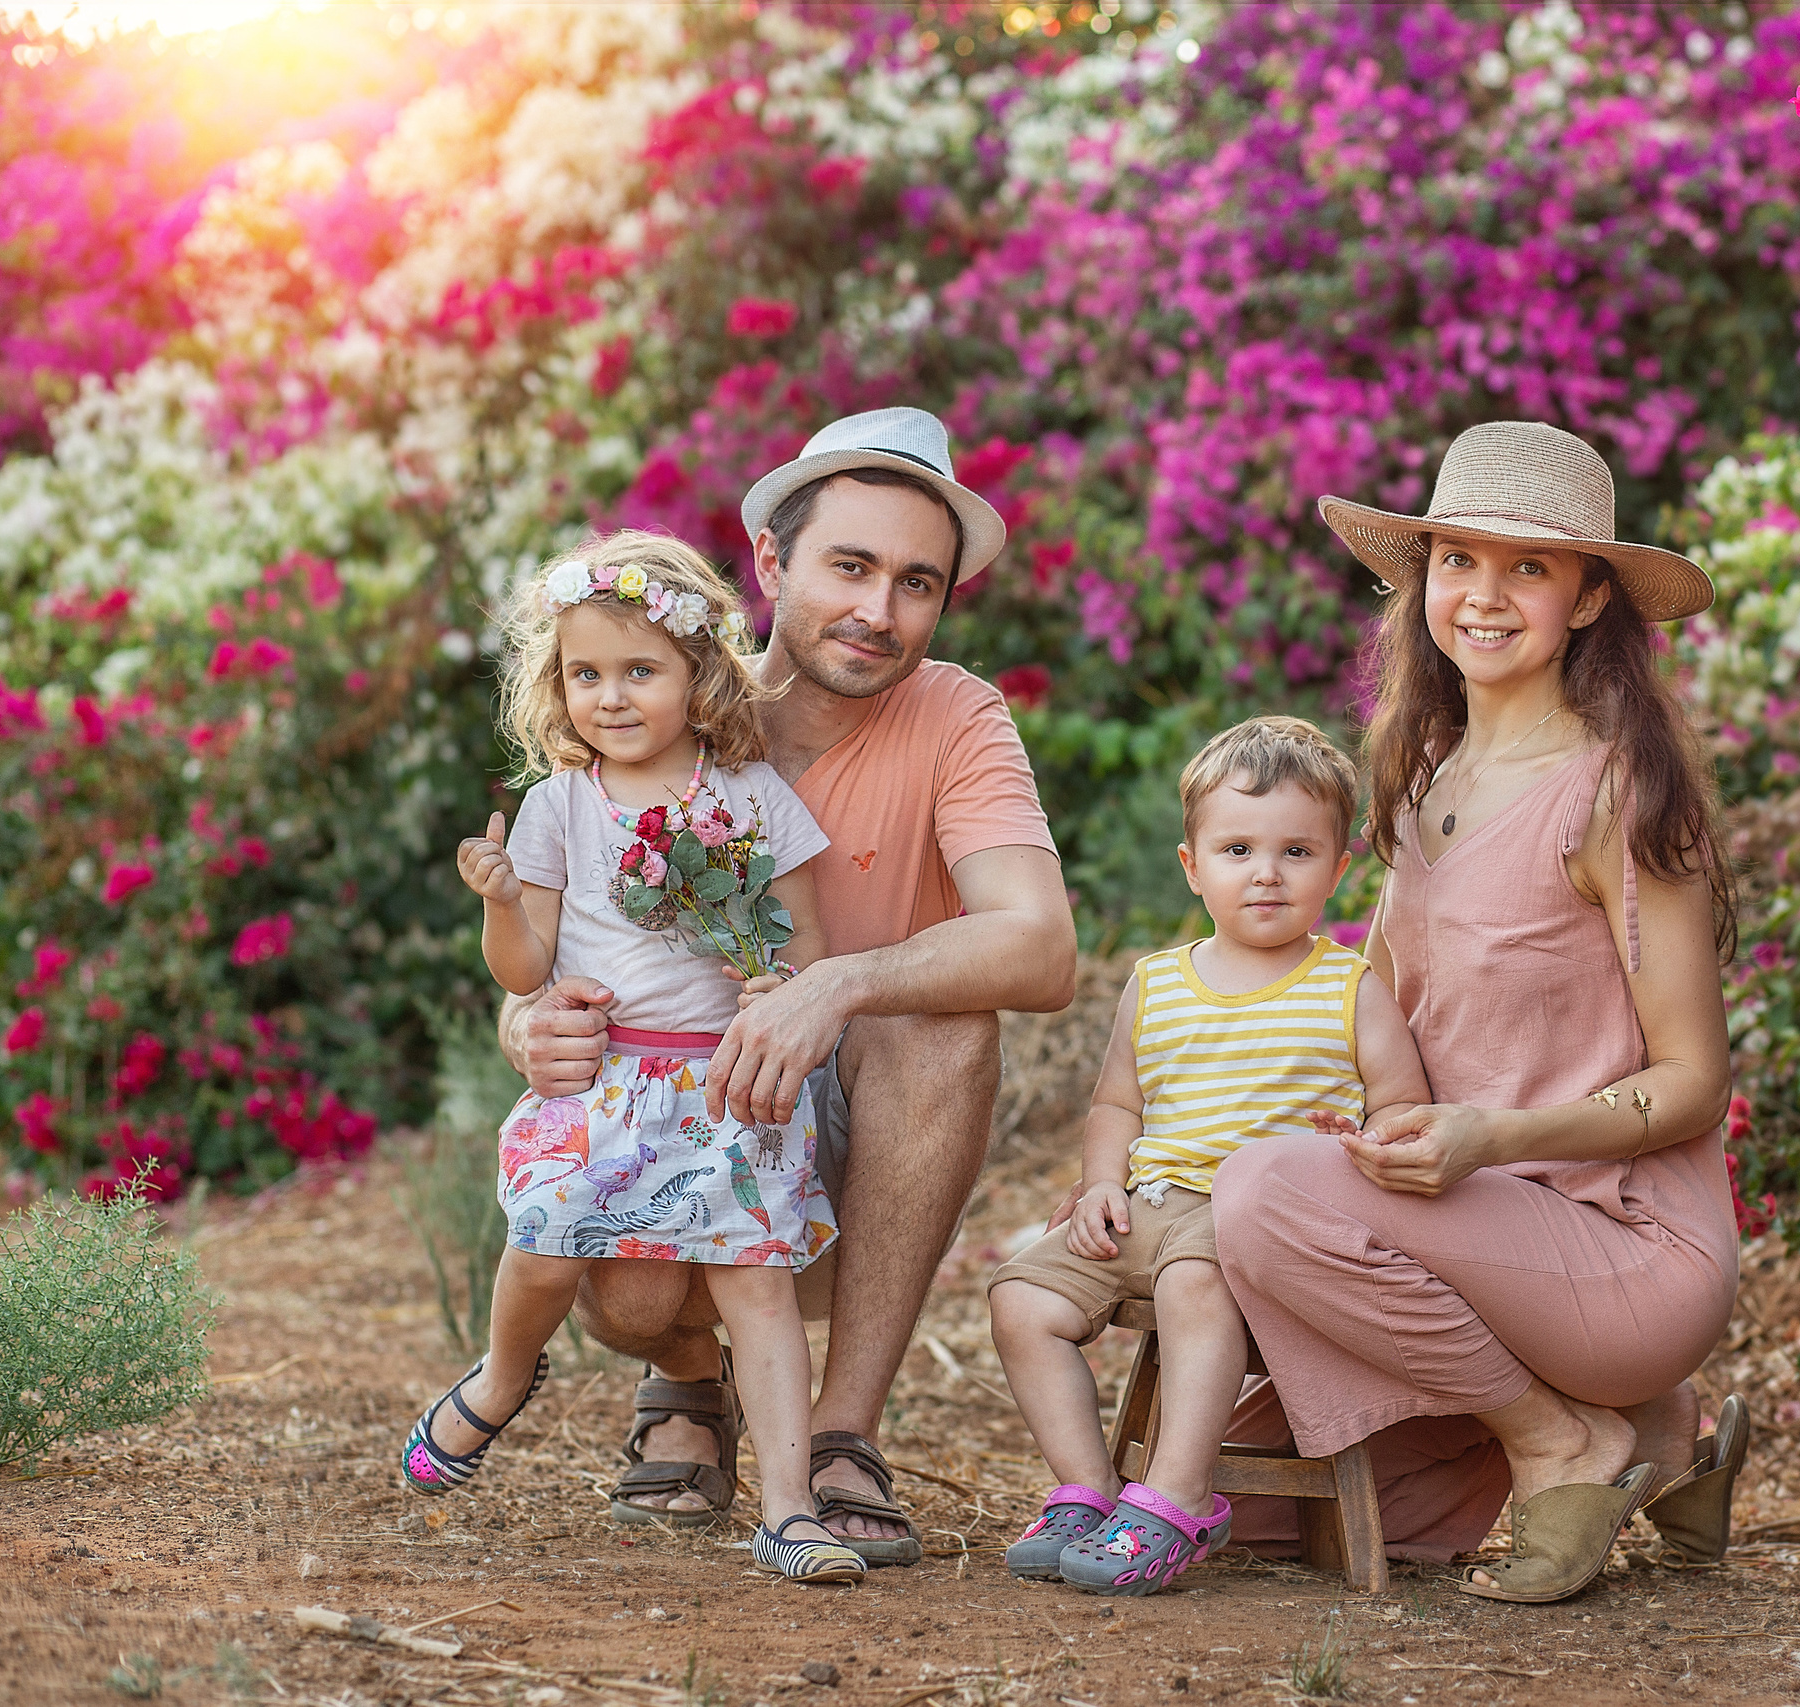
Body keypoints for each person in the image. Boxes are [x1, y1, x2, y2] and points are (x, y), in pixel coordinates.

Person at [499, 408, 1076, 1560]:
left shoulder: (955, 714)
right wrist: (525, 1018)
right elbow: (550, 928)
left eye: (918, 583)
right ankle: (686, 1378)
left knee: (944, 1025)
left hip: (847, 1115)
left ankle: (837, 1436)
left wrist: (839, 983)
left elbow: (1043, 949)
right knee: (632, 1300)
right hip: (669, 1098)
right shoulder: (655, 701)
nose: (880, 611)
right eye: (850, 566)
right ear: (770, 561)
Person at [1211, 419, 1751, 1604]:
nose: (1484, 596)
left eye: (1528, 568)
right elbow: (1388, 1035)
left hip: (1618, 1249)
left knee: (1262, 1197)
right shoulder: (1419, 784)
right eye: (1457, 560)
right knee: (1249, 1506)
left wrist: (1495, 1135)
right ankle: (1663, 1444)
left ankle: (1562, 1437)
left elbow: (1692, 1080)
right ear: (1423, 583)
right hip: (1470, 1230)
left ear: (1590, 597)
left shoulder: (1616, 791)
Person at [405, 531, 863, 1584]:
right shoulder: (562, 804)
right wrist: (501, 902)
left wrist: (781, 985)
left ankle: (790, 1509)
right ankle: (500, 1378)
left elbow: (805, 940)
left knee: (755, 1286)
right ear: (556, 685)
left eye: (639, 670)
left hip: (727, 1086)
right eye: (584, 673)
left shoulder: (747, 796)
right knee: (550, 1238)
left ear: (698, 674)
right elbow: (524, 970)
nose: (608, 696)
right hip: (606, 1080)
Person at [988, 718, 1431, 1595]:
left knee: (1197, 1282)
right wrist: (1099, 1184)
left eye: (1297, 851)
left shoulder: (1348, 987)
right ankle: (1091, 1491)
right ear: (1194, 867)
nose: (1266, 872)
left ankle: (1182, 1495)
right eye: (1237, 848)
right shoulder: (1156, 983)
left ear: (1338, 868)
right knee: (1021, 1296)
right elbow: (1118, 1101)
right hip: (1150, 1200)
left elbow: (1404, 1102)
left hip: (1254, 1219)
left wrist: (1369, 1145)